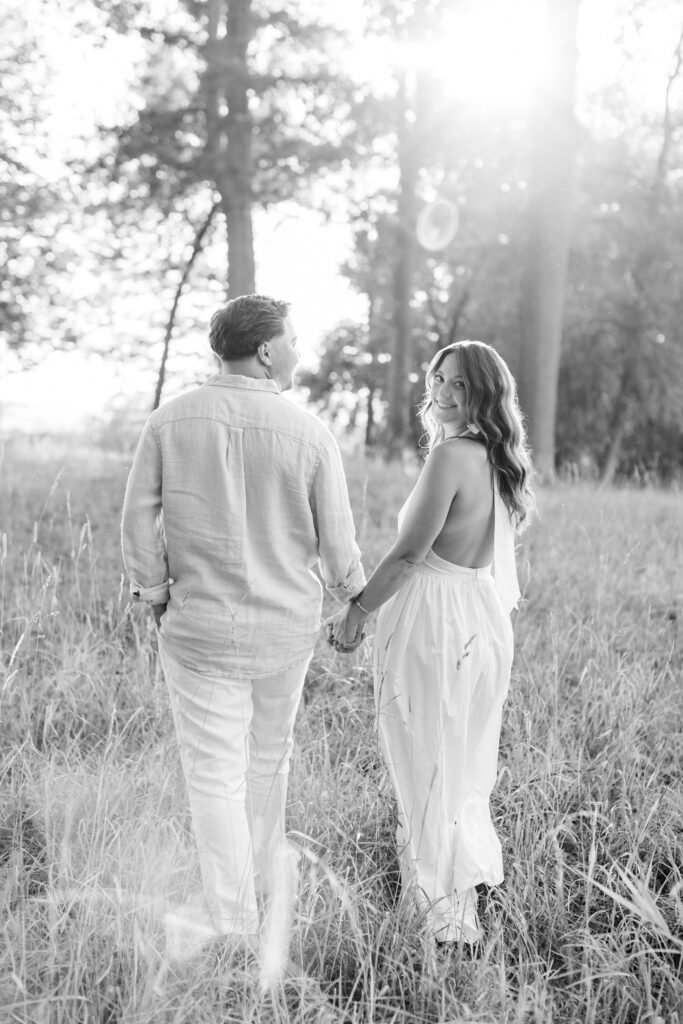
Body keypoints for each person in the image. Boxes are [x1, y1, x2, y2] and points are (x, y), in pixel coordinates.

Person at [121, 294, 365, 953]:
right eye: (293, 339)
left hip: (197, 628)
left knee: (211, 772)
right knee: (268, 758)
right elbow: (338, 546)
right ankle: (261, 889)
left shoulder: (169, 423)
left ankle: (233, 920)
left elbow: (137, 517)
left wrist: (152, 591)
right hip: (285, 630)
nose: (299, 350)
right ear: (264, 350)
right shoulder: (309, 434)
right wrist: (355, 600)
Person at [328, 340, 534, 944]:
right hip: (480, 618)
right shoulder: (499, 459)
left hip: (436, 621)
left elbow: (411, 553)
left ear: (484, 394)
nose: (441, 394)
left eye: (459, 385)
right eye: (437, 380)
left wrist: (356, 612)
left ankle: (437, 915)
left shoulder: (450, 458)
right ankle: (449, 898)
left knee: (424, 760)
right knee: (458, 761)